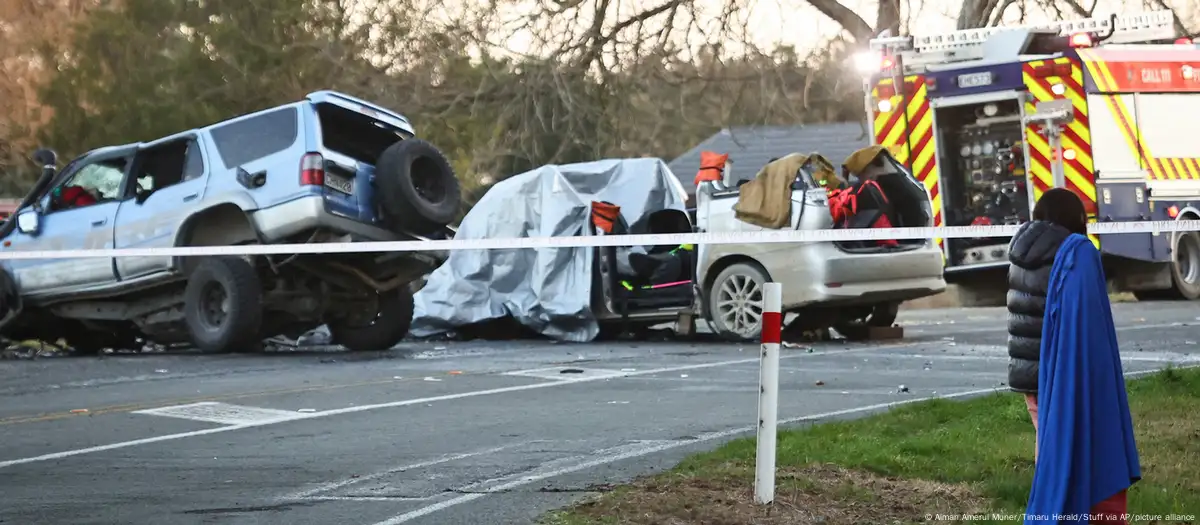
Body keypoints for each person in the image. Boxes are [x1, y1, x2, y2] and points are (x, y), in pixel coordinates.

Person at [1015, 189, 1141, 524]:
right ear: (1075, 218)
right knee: (1078, 449)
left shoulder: (1021, 247)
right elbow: (1080, 321)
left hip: (1028, 373)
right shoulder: (1072, 254)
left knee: (1052, 458)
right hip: (1063, 370)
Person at [1007, 188, 1086, 455]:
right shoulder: (1068, 252)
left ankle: (1048, 493)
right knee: (1068, 445)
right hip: (1057, 366)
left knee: (1046, 441)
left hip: (1026, 367)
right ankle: (1063, 495)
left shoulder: (1020, 248)